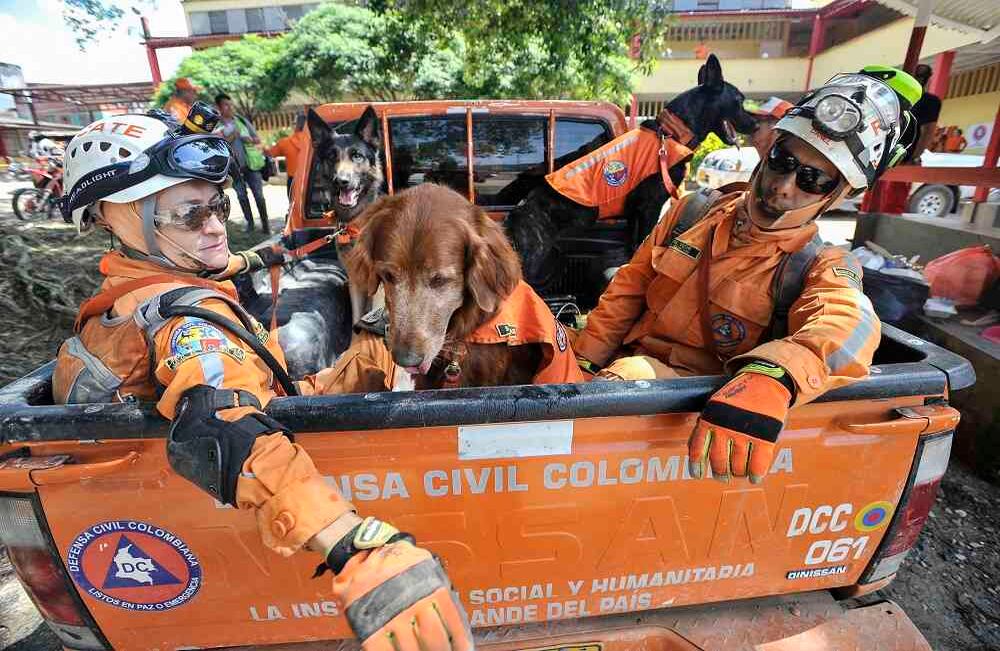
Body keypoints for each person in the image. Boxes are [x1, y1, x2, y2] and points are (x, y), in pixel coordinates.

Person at [55, 111, 473, 651]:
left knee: (370, 350)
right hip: (247, 499)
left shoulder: (147, 282)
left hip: (248, 433)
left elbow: (230, 276)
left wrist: (288, 255)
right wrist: (352, 542)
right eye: (188, 214)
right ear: (116, 216)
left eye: (218, 206)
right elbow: (223, 423)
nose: (213, 227)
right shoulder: (189, 324)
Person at [573, 71, 917, 484]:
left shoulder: (818, 265)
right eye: (783, 161)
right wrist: (582, 365)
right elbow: (627, 292)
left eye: (813, 179)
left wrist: (774, 375)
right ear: (768, 151)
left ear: (837, 194)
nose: (784, 186)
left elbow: (851, 325)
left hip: (691, 402)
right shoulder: (691, 213)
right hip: (624, 374)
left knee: (628, 375)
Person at [215, 93, 271, 233]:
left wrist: (247, 139)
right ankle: (250, 224)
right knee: (241, 196)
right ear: (219, 107)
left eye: (230, 104)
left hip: (251, 165)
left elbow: (257, 140)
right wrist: (232, 136)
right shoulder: (217, 126)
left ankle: (265, 225)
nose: (230, 107)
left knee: (259, 195)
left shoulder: (242, 121)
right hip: (233, 168)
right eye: (226, 105)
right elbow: (217, 147)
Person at [266, 113, 308, 196]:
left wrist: (261, 147)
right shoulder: (313, 143)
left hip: (293, 181)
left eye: (293, 123)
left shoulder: (285, 143)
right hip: (311, 180)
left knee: (293, 205)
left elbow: (270, 153)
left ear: (296, 125)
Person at [909, 63, 942, 164]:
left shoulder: (931, 101)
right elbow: (928, 132)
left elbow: (928, 131)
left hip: (903, 154)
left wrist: (914, 156)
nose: (920, 80)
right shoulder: (931, 101)